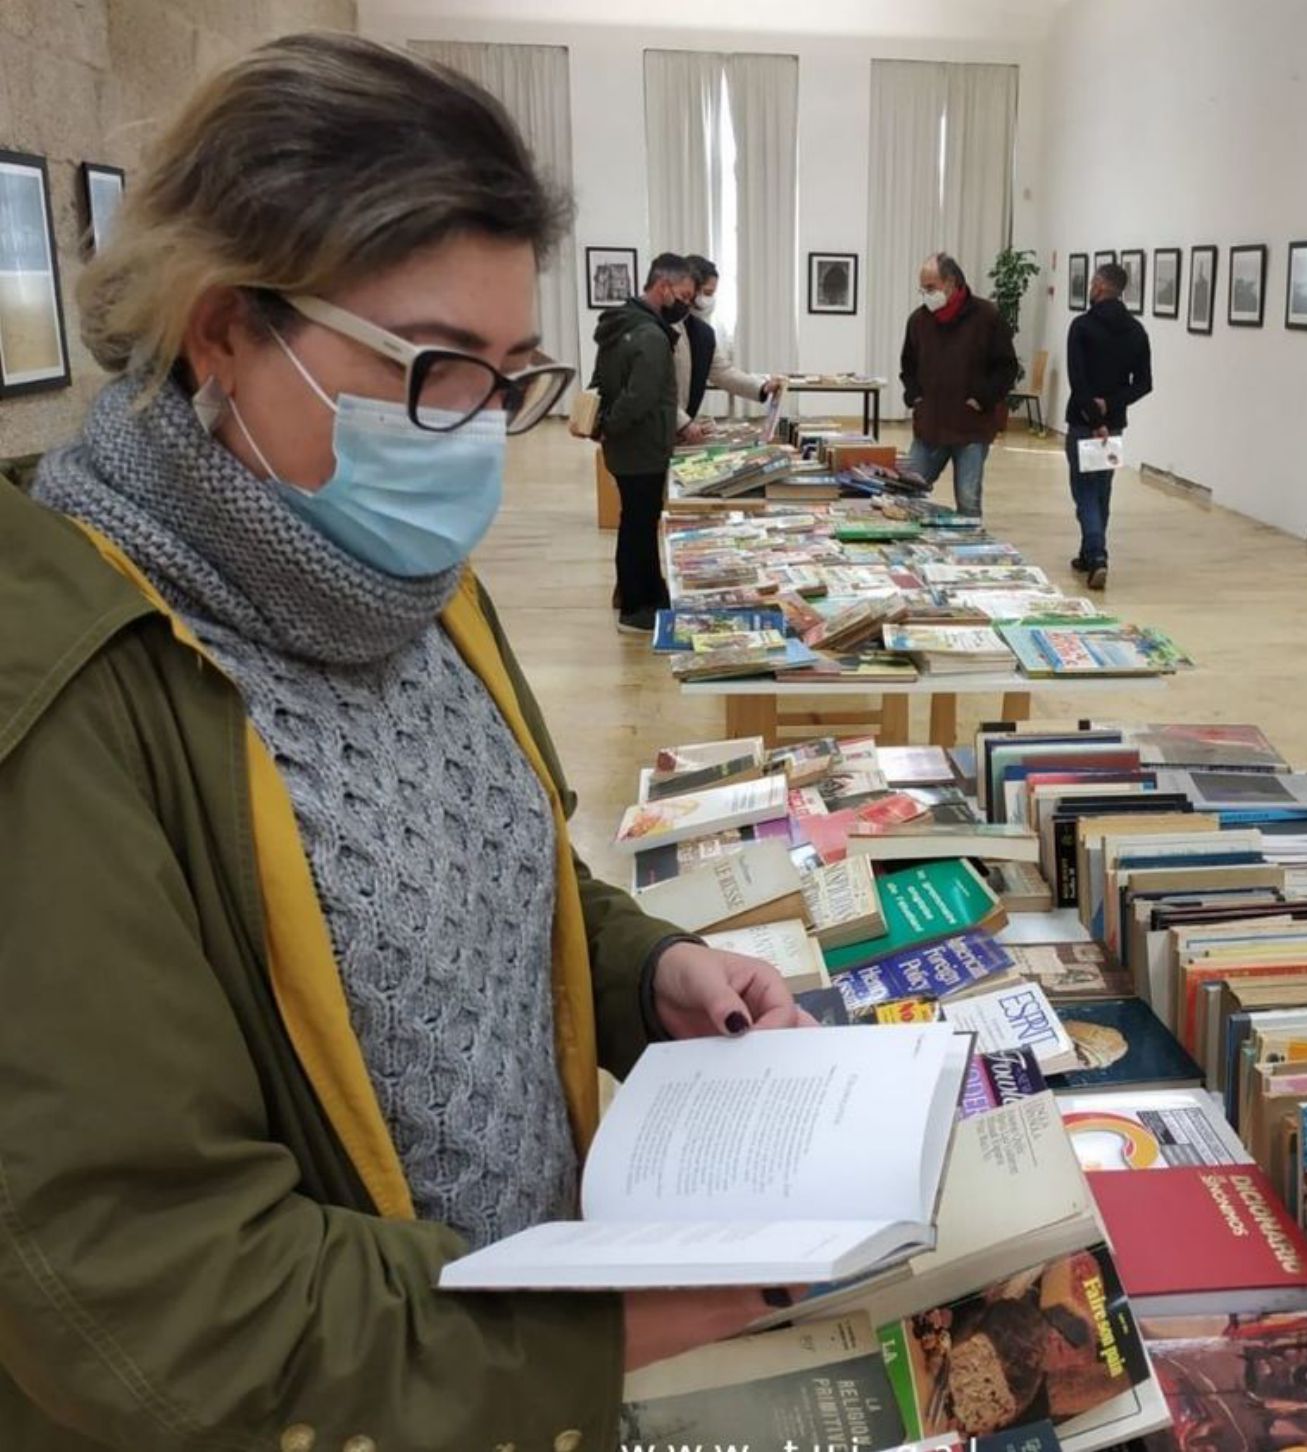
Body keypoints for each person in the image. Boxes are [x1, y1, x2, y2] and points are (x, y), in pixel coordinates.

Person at [1, 34, 807, 1446]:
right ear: (221, 326)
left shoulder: (401, 584)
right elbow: (152, 1296)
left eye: (511, 380)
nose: (478, 438)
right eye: (436, 368)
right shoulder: (71, 702)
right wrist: (587, 1326)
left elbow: (489, 880)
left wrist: (646, 974)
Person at [591, 252, 695, 633]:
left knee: (637, 520)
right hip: (643, 446)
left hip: (627, 447)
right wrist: (611, 426)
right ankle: (637, 609)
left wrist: (606, 427)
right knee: (638, 523)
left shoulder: (621, 323)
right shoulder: (650, 334)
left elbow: (602, 382)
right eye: (682, 295)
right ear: (663, 286)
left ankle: (648, 591)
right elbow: (640, 397)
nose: (685, 304)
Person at [899, 252, 1018, 517]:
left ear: (951, 282)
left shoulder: (987, 316)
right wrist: (915, 396)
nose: (926, 294)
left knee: (968, 500)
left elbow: (1007, 367)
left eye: (931, 288)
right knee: (904, 493)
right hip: (929, 426)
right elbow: (908, 366)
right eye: (923, 289)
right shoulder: (918, 320)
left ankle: (971, 553)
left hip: (971, 427)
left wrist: (982, 399)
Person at [1064, 260, 1152, 590]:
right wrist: (1110, 409)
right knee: (1102, 491)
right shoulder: (1136, 331)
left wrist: (1094, 416)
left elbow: (1078, 379)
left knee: (1085, 491)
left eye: (1091, 284)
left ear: (1099, 287)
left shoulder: (1082, 326)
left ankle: (1097, 555)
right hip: (1113, 427)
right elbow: (1143, 383)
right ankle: (1088, 554)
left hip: (1083, 424)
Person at [673, 254, 778, 442]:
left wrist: (762, 387)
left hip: (680, 430)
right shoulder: (663, 326)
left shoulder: (703, 332)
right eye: (707, 292)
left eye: (713, 294)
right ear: (689, 288)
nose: (710, 300)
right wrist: (683, 423)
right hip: (658, 428)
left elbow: (723, 372)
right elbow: (653, 389)